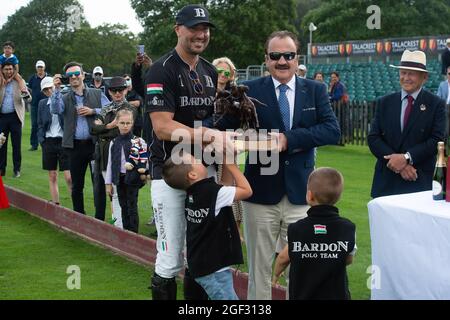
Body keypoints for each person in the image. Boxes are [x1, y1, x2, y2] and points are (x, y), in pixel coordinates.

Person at [238, 30, 340, 300]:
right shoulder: (249, 89)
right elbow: (225, 130)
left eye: (288, 55)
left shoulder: (315, 90)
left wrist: (288, 139)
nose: (282, 61)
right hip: (259, 193)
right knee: (258, 269)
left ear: (297, 58)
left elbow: (332, 130)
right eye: (275, 56)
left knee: (302, 266)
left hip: (302, 195)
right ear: (266, 59)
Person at [145, 4, 234, 300]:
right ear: (178, 29)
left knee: (199, 255)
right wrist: (207, 134)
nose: (201, 34)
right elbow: (161, 127)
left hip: (202, 172)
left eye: (205, 28)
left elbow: (210, 121)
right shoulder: (161, 69)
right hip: (169, 173)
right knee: (170, 258)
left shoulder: (209, 70)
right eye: (194, 28)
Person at [162, 152, 251, 299]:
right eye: (195, 160)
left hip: (202, 266)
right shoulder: (211, 193)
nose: (199, 160)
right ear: (193, 175)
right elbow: (247, 191)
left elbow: (225, 186)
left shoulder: (194, 193)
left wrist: (227, 160)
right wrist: (232, 166)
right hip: (214, 269)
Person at [368, 50, 446, 198]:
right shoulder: (384, 102)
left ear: (424, 77)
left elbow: (437, 140)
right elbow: (374, 138)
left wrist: (407, 158)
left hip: (419, 180)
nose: (406, 78)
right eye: (403, 73)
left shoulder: (436, 104)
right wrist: (398, 164)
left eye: (411, 74)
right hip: (386, 182)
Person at [272, 167, 356, 300]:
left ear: (309, 195)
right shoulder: (347, 228)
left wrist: (276, 274)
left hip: (303, 294)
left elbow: (283, 258)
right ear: (338, 197)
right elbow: (348, 258)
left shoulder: (297, 228)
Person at [51, 61, 110, 214]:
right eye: (70, 75)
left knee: (98, 184)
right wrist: (56, 89)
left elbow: (111, 110)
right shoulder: (64, 96)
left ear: (83, 75)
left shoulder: (96, 93)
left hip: (94, 144)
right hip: (74, 146)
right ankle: (79, 217)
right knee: (77, 185)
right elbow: (55, 109)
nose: (74, 77)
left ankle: (99, 220)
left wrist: (93, 111)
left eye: (77, 74)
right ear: (67, 78)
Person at [91, 76, 137, 227]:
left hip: (122, 154)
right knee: (103, 190)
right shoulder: (106, 108)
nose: (117, 93)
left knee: (121, 193)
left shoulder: (130, 109)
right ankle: (107, 223)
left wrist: (103, 129)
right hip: (103, 154)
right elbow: (94, 129)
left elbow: (123, 132)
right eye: (114, 90)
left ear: (126, 90)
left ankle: (123, 227)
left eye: (120, 90)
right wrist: (109, 126)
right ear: (109, 91)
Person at [105, 109, 146, 233]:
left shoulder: (138, 141)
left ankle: (134, 233)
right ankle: (126, 233)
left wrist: (144, 174)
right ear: (117, 123)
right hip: (119, 178)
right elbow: (110, 164)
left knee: (132, 206)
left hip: (133, 178)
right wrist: (108, 183)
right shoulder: (113, 142)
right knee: (123, 206)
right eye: (122, 123)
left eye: (128, 123)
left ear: (132, 123)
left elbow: (145, 159)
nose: (125, 126)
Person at [37, 76, 72, 205]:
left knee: (69, 177)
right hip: (49, 142)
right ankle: (56, 204)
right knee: (52, 175)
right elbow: (39, 123)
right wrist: (42, 140)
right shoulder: (42, 104)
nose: (48, 92)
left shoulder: (63, 100)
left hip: (63, 141)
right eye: (45, 90)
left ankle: (77, 207)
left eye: (50, 88)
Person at [0, 61, 30, 178]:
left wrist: (25, 94)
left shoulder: (19, 82)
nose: (9, 71)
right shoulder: (1, 82)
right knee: (2, 144)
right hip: (2, 117)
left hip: (15, 117)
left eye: (11, 69)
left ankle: (17, 170)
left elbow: (28, 99)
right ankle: (2, 169)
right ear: (2, 70)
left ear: (14, 70)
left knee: (16, 145)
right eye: (6, 69)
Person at [28, 60, 49, 151]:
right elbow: (29, 89)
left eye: (41, 67)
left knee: (47, 124)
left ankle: (46, 144)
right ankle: (34, 145)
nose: (40, 69)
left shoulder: (48, 78)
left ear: (44, 68)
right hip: (35, 105)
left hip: (47, 105)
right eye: (38, 67)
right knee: (34, 125)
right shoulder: (32, 78)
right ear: (36, 68)